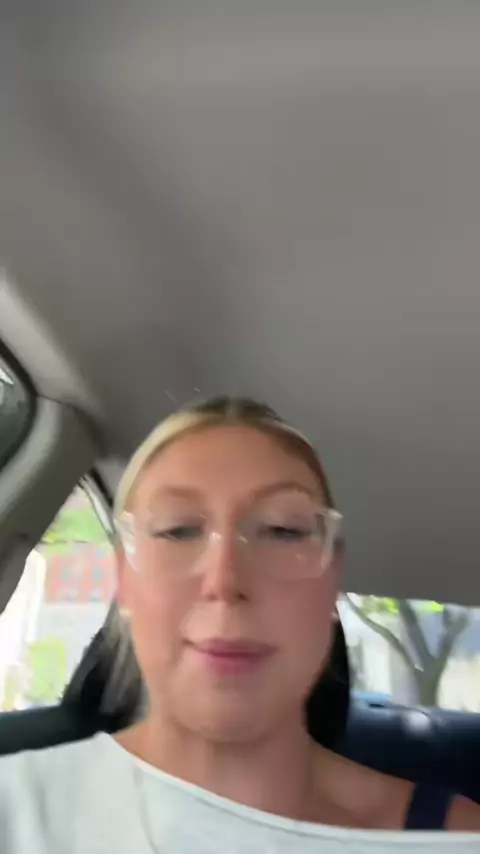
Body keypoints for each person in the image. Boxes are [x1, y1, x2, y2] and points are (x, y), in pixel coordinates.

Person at [1, 396, 479, 853]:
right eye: (177, 530)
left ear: (332, 581)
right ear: (124, 580)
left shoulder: (454, 839)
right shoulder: (16, 812)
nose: (224, 578)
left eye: (282, 531)